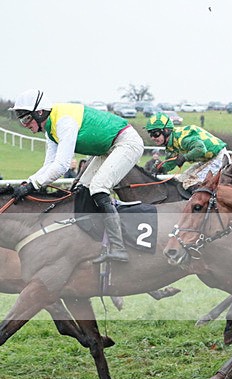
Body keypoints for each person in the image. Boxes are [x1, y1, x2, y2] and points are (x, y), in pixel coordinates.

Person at [10, 89, 144, 262]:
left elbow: (61, 166)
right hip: (107, 148)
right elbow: (48, 165)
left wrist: (32, 185)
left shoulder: (64, 122)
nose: (24, 124)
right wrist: (27, 183)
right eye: (21, 120)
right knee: (82, 188)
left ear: (39, 112)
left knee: (98, 187)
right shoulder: (50, 129)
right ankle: (97, 242)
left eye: (26, 118)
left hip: (126, 143)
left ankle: (119, 247)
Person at [144, 113, 230, 189]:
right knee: (181, 181)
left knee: (190, 183)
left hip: (219, 157)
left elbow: (200, 149)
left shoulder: (182, 138)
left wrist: (185, 158)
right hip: (207, 159)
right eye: (150, 134)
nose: (153, 138)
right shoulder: (170, 144)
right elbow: (172, 162)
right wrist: (161, 169)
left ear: (166, 130)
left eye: (155, 133)